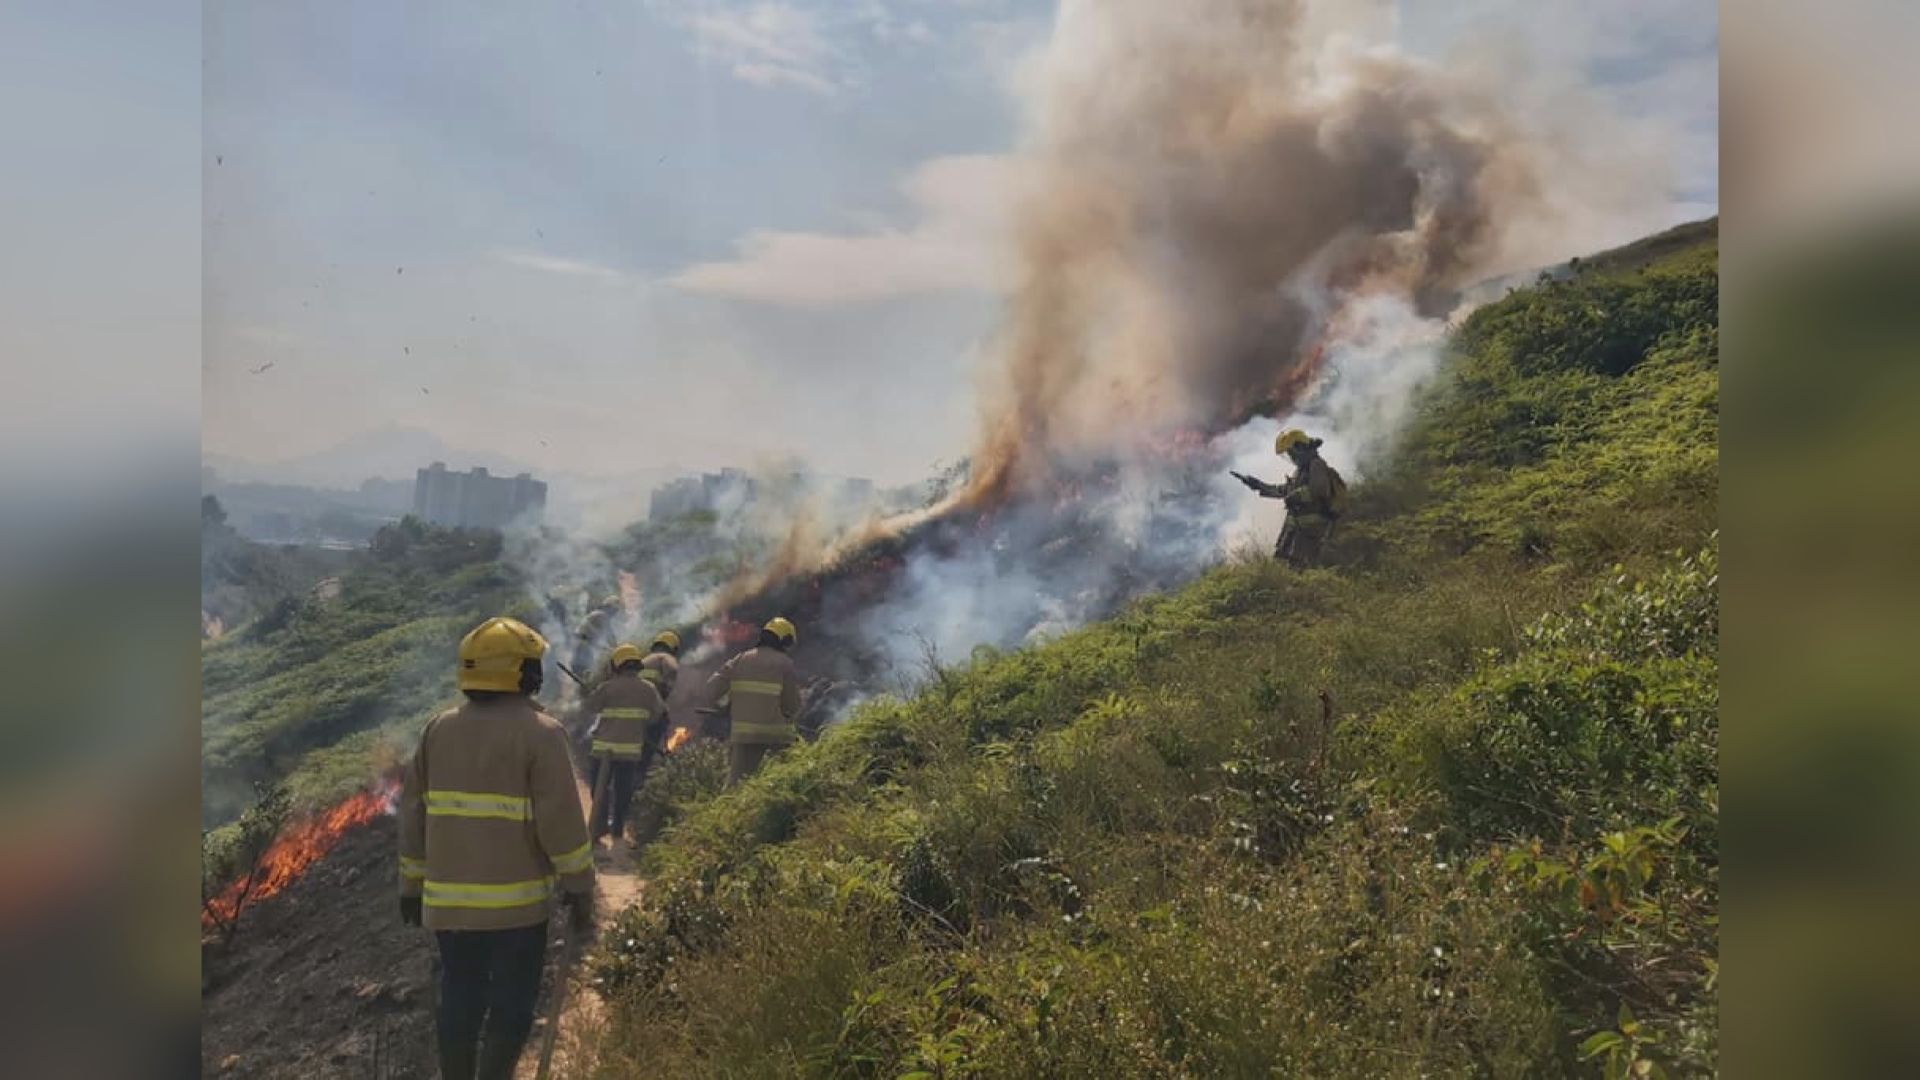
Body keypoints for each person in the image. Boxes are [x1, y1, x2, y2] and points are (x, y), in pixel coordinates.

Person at [398, 616, 594, 1080]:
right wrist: (580, 887)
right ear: (519, 672)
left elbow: (413, 816)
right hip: (516, 912)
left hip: (448, 907)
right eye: (532, 665)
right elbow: (562, 824)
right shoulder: (540, 733)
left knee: (460, 1001)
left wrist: (410, 886)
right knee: (512, 1008)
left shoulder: (436, 730)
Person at [579, 642, 666, 848]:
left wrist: (591, 691)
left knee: (599, 790)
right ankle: (618, 829)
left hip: (603, 750)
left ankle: (598, 827)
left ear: (616, 665)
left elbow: (590, 707)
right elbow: (656, 715)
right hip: (630, 751)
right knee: (623, 791)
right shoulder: (649, 689)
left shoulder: (608, 687)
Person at [703, 617, 803, 786]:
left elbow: (711, 689)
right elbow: (792, 705)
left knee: (735, 784)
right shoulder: (784, 664)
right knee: (794, 774)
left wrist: (723, 705)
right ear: (783, 641)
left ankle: (726, 810)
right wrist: (789, 716)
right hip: (777, 734)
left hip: (744, 734)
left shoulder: (740, 659)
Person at [1236, 429, 1348, 568]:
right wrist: (1258, 485)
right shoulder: (1302, 470)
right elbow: (1284, 490)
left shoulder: (1317, 464)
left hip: (1309, 533)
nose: (1291, 457)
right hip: (1297, 530)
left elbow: (1320, 490)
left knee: (1299, 572)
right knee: (1283, 567)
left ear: (1299, 447)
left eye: (1291, 453)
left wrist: (1297, 496)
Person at [635, 630, 682, 781]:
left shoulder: (644, 660)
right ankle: (640, 777)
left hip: (633, 709)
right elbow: (664, 690)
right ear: (673, 648)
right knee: (648, 745)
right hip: (650, 711)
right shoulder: (669, 661)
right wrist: (662, 711)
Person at [569, 595, 622, 694]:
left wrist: (607, 648)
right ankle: (583, 695)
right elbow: (610, 636)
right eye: (614, 611)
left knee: (584, 672)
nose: (615, 614)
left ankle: (580, 695)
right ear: (609, 608)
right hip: (583, 646)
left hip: (582, 645)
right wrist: (617, 649)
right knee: (586, 670)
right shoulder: (601, 615)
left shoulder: (597, 615)